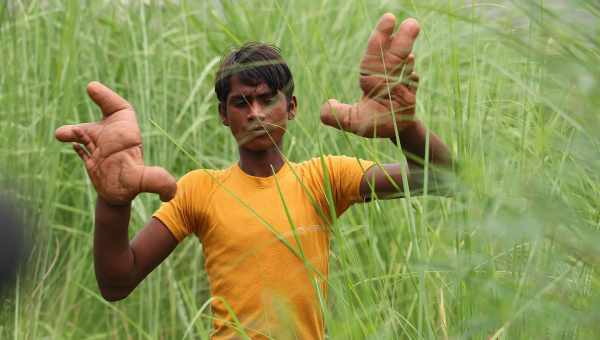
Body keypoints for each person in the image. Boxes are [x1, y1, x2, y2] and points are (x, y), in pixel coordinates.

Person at [55, 13, 451, 339]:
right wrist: (113, 202)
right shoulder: (200, 189)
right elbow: (117, 281)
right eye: (241, 102)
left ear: (291, 107)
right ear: (224, 115)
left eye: (267, 99)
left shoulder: (324, 178)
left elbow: (446, 180)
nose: (256, 113)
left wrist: (407, 128)